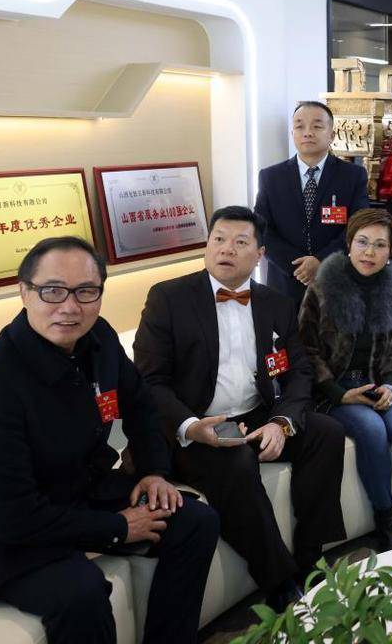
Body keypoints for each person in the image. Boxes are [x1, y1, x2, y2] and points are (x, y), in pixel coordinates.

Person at [0, 237, 219, 644]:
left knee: (195, 521)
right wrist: (118, 527)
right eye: (52, 291)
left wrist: (153, 471)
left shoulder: (99, 337)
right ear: (24, 292)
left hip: (80, 492)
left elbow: (140, 403)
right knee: (80, 592)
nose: (69, 307)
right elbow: (12, 517)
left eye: (85, 291)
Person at [133, 206, 346, 611]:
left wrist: (281, 421)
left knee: (326, 433)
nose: (226, 249)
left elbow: (300, 371)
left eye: (240, 242)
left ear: (259, 254)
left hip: (255, 415)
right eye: (218, 239)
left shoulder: (275, 303)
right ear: (207, 245)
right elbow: (148, 381)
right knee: (236, 464)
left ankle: (311, 558)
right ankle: (279, 582)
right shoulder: (168, 298)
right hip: (195, 423)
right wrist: (190, 425)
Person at [300, 208, 392, 550]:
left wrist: (390, 383)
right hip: (333, 388)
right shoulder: (322, 287)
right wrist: (337, 393)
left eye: (380, 245)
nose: (369, 252)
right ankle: (385, 519)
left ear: (390, 251)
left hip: (377, 383)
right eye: (362, 242)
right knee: (373, 430)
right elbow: (306, 351)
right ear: (349, 244)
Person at [255, 100, 370, 306]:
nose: (308, 132)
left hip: (337, 281)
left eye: (317, 126)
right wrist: (299, 268)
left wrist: (321, 262)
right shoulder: (270, 177)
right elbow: (261, 229)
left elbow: (358, 226)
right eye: (300, 126)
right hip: (285, 284)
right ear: (292, 134)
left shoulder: (353, 176)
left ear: (331, 135)